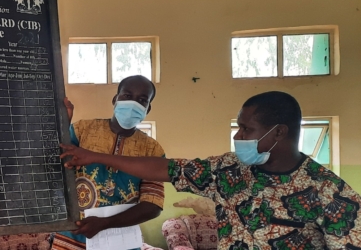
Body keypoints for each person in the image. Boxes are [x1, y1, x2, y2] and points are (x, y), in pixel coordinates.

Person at [61, 91, 361, 249]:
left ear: (279, 132)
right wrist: (94, 156)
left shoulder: (331, 195)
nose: (237, 137)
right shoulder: (228, 171)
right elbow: (166, 169)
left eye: (246, 129)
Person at [53, 75, 165, 250]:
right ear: (115, 99)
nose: (133, 104)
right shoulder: (82, 129)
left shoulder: (152, 150)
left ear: (147, 108)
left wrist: (105, 223)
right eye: (127, 96)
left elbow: (153, 205)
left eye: (142, 100)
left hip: (121, 240)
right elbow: (50, 166)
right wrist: (61, 125)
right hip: (73, 235)